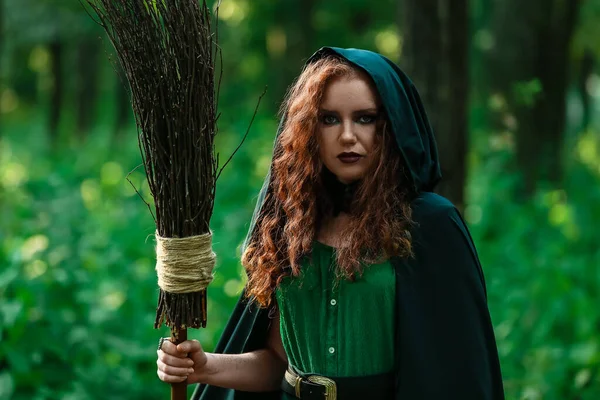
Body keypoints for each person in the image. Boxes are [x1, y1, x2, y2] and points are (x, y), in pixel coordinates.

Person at [156, 47, 505, 400]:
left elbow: (455, 371)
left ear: (389, 127)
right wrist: (203, 367)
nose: (348, 136)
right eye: (329, 119)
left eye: (365, 118)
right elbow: (279, 363)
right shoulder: (291, 222)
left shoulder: (429, 224)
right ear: (307, 129)